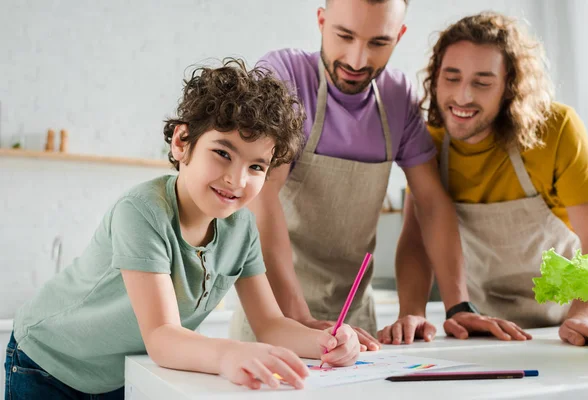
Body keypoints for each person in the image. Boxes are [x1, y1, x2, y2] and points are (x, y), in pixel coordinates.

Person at [5, 59, 361, 398]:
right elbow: (162, 335)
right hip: (50, 363)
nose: (236, 179)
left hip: (119, 373)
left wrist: (328, 343)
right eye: (223, 153)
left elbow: (269, 324)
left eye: (256, 167)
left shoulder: (242, 229)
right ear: (181, 142)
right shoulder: (143, 211)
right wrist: (228, 355)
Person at [230, 0, 518, 350]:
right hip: (275, 312)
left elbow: (431, 204)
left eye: (379, 43)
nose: (357, 60)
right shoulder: (285, 76)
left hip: (354, 318)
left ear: (399, 36)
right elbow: (263, 195)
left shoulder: (398, 99)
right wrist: (297, 318)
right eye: (345, 36)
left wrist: (457, 305)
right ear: (321, 21)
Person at [382, 12, 588, 346]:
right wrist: (413, 312)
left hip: (566, 324)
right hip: (485, 326)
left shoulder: (557, 130)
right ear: (435, 77)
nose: (463, 97)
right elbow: (416, 237)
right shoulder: (430, 140)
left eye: (482, 83)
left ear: (509, 87)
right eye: (451, 78)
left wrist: (586, 307)